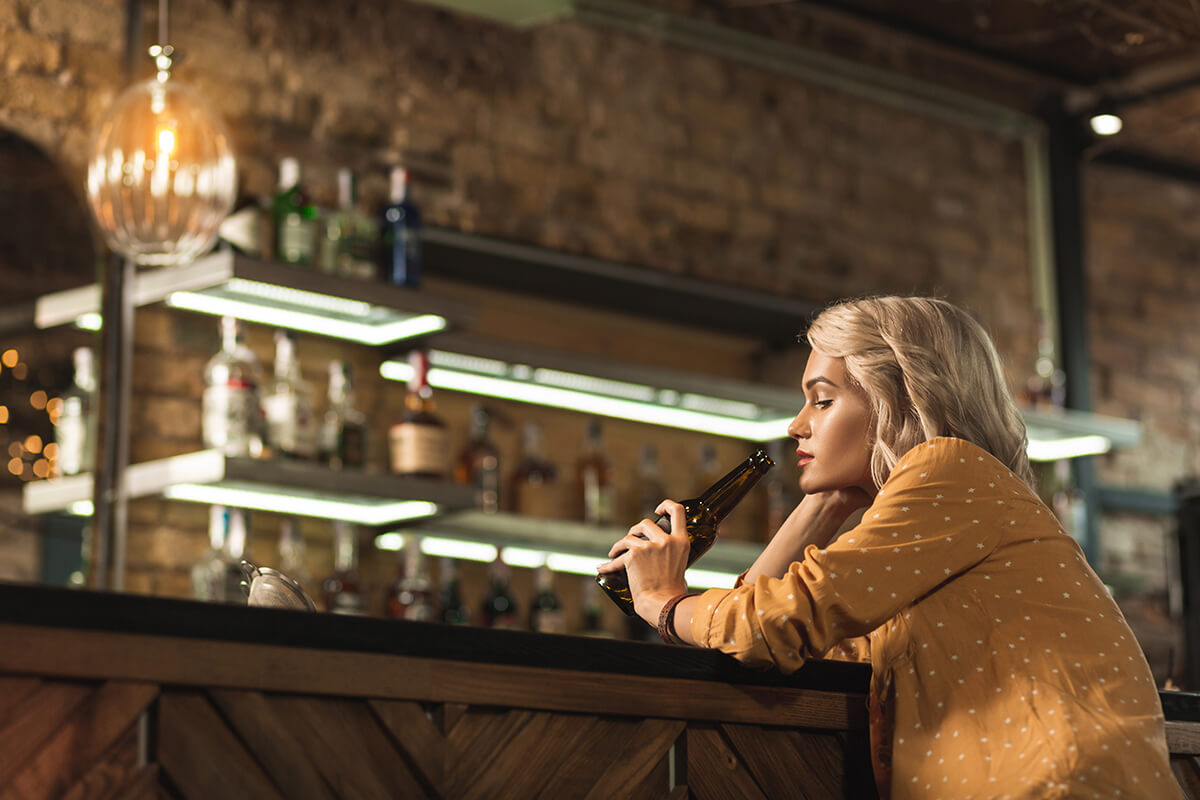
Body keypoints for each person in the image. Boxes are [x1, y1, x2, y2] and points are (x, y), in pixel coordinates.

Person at [598, 296, 1181, 799]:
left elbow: (772, 623)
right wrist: (824, 506)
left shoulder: (951, 469)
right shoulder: (925, 537)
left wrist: (663, 602)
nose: (796, 425)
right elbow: (761, 644)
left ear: (897, 401)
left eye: (822, 400)